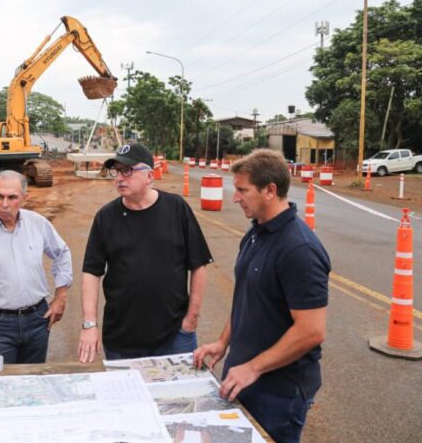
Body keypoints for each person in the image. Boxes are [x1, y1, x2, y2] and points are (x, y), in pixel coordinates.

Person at [193, 149, 330, 443]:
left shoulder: (299, 249)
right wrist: (222, 342)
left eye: (242, 190)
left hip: (279, 391)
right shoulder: (256, 233)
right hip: (244, 377)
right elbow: (247, 298)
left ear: (270, 190)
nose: (235, 197)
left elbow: (312, 331)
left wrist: (253, 368)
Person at [78, 143, 213, 363]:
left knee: (176, 397)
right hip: (121, 339)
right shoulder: (106, 217)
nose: (119, 178)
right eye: (117, 171)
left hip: (174, 337)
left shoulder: (176, 208)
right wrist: (89, 324)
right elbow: (92, 272)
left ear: (150, 175)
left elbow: (198, 264)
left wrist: (191, 319)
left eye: (127, 170)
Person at [0, 170, 72, 364]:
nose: (4, 204)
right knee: (0, 387)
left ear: (24, 199)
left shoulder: (38, 224)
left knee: (33, 381)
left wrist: (60, 296)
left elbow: (62, 253)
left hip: (38, 320)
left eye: (12, 197)